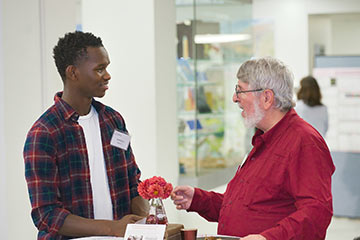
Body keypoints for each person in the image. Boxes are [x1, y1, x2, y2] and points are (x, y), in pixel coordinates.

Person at [171, 57, 335, 240]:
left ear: (266, 97)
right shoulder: (263, 140)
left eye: (240, 91)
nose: (234, 98)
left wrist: (268, 238)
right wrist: (198, 199)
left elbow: (316, 213)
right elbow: (246, 207)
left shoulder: (304, 142)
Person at [24, 31, 149, 239]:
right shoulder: (44, 133)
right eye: (100, 69)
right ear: (73, 73)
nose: (107, 75)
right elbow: (47, 215)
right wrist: (112, 228)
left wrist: (149, 217)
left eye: (107, 68)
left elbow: (133, 183)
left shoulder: (113, 120)